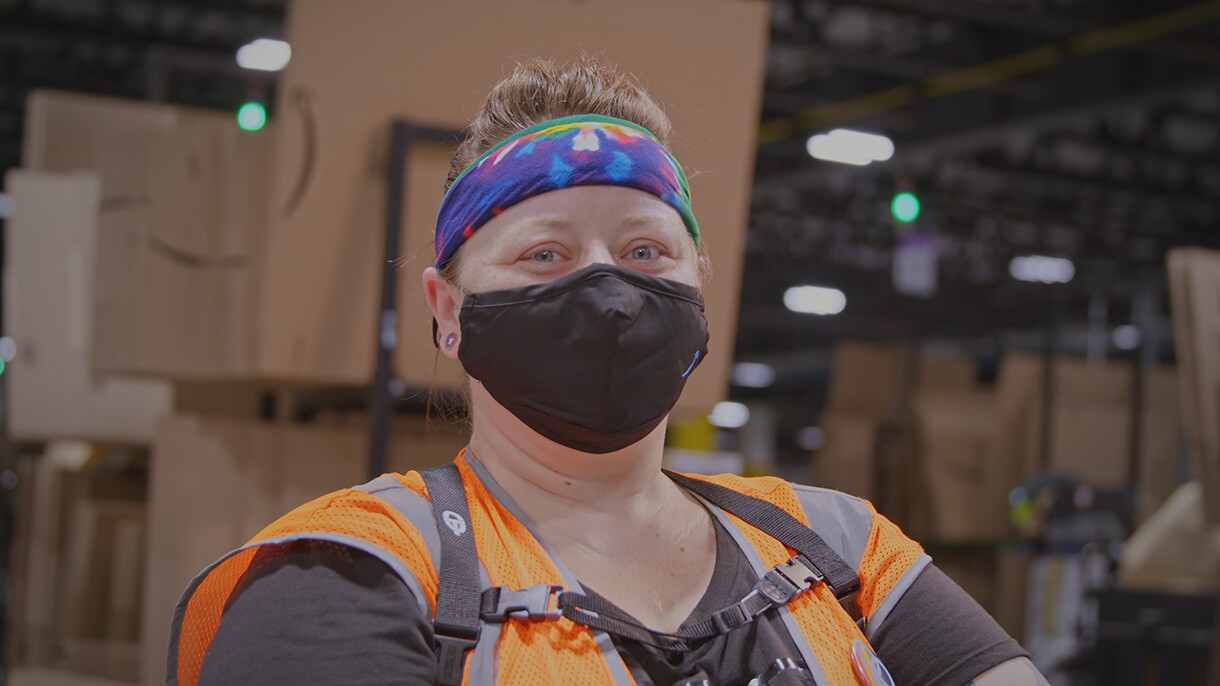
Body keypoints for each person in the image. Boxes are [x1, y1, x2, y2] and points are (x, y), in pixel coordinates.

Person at [168, 56, 1049, 686]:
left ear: (699, 288)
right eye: (545, 254)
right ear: (448, 310)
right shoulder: (353, 573)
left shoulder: (842, 549)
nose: (609, 288)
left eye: (643, 249)